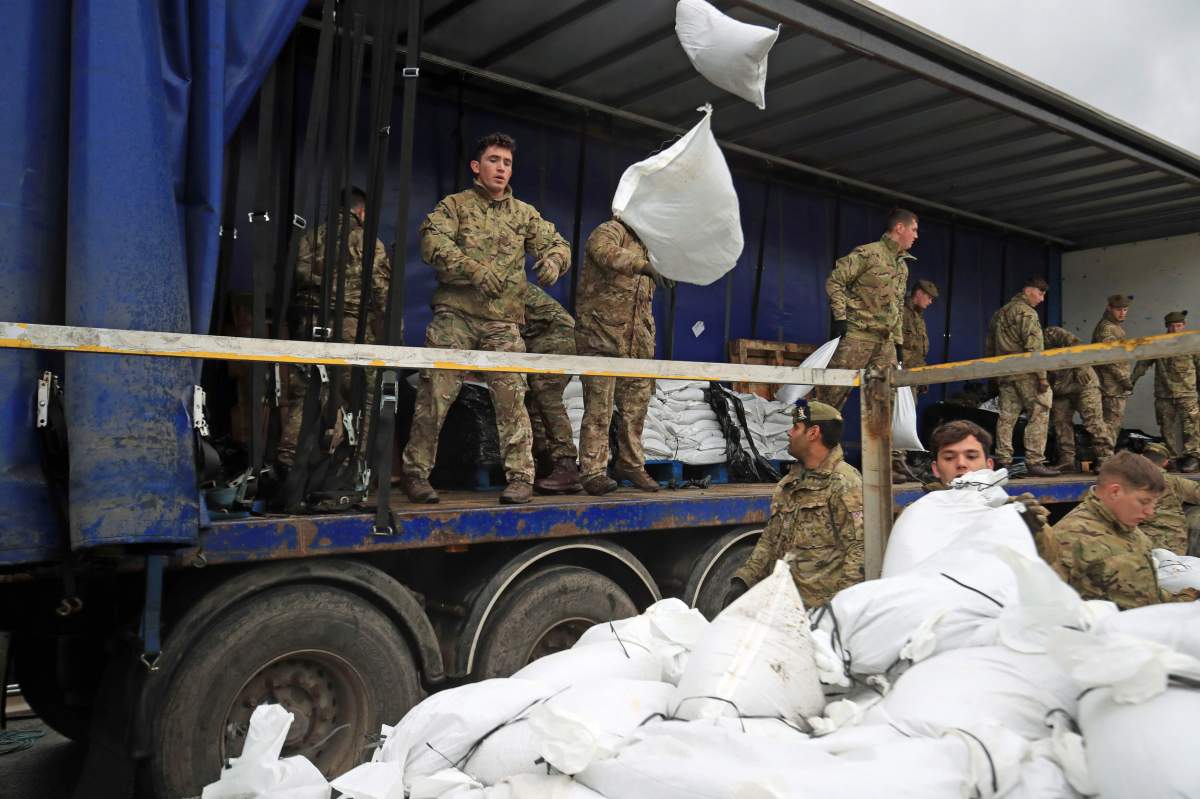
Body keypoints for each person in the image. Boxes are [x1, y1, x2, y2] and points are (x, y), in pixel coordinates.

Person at [401, 133, 571, 505]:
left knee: (512, 395)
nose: (501, 168)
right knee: (435, 393)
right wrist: (472, 269)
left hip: (502, 322)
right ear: (477, 167)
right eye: (494, 160)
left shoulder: (523, 214)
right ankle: (415, 474)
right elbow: (432, 243)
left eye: (507, 163)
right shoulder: (455, 206)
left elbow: (558, 243)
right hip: (456, 315)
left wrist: (553, 262)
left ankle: (520, 478)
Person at [277, 186, 390, 472]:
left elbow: (297, 275)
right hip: (351, 326)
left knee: (310, 391)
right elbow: (382, 290)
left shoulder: (310, 237)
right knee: (364, 393)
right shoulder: (367, 241)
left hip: (310, 324)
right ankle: (354, 463)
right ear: (361, 211)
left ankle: (287, 460)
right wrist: (391, 331)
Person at [725, 399, 864, 609]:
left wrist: (839, 610)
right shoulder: (789, 484)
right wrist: (743, 581)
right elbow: (770, 541)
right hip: (785, 610)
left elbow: (859, 550)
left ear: (813, 433)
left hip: (820, 614)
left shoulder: (844, 482)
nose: (789, 433)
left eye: (796, 427)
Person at [575, 217, 672, 496]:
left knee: (636, 406)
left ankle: (631, 464)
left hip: (637, 342)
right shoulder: (610, 230)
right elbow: (603, 250)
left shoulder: (650, 246)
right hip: (601, 337)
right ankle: (593, 471)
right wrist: (643, 266)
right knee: (598, 407)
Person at [1036, 450, 1197, 608]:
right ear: (1115, 492)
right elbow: (1050, 608)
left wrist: (1187, 598)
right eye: (1143, 501)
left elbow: (1147, 594)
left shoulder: (1126, 527)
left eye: (1153, 503)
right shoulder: (1071, 538)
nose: (1150, 512)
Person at [812, 208, 918, 410]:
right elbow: (836, 281)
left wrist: (898, 343)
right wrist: (840, 318)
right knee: (830, 398)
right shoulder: (868, 254)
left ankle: (877, 442)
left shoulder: (902, 266)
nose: (916, 235)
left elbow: (898, 306)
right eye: (913, 230)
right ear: (899, 227)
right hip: (858, 337)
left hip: (885, 344)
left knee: (885, 402)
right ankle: (814, 438)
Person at [919, 419, 1049, 531]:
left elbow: (1049, 559)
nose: (961, 464)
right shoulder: (920, 513)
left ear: (989, 466)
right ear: (936, 469)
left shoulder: (1016, 510)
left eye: (971, 456)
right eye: (949, 457)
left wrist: (1031, 533)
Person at [986, 276, 1058, 477]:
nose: (1042, 298)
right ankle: (1035, 461)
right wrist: (1042, 378)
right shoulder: (1027, 313)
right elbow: (1034, 348)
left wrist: (993, 375)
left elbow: (990, 346)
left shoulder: (1000, 313)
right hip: (1027, 373)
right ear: (1028, 290)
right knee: (1040, 411)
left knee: (1006, 417)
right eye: (1040, 292)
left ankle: (1003, 461)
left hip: (1006, 373)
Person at [521, 283, 581, 494]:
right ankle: (547, 462)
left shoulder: (497, 282)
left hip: (556, 337)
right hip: (540, 338)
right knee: (533, 401)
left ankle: (566, 464)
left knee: (547, 397)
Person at [1131, 310, 1200, 474]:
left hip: (1187, 393)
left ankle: (1193, 457)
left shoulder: (1192, 344)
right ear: (1167, 327)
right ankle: (1174, 458)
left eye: (1178, 326)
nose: (1175, 330)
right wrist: (1130, 382)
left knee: (1192, 427)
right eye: (1172, 326)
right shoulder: (1158, 344)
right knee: (1167, 428)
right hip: (1164, 395)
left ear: (1184, 326)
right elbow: (1142, 364)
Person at [1043, 326, 1115, 472]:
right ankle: (1067, 460)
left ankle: (1105, 459)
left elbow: (1077, 345)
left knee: (1093, 421)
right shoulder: (1025, 346)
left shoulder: (1052, 333)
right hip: (1059, 389)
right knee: (1060, 423)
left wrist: (1081, 367)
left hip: (1083, 383)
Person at [1139, 443, 1200, 555]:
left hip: (1142, 542)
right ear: (1165, 462)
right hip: (1174, 544)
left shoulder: (1126, 479)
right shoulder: (1174, 482)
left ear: (1141, 457)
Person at [1091, 294, 1135, 440]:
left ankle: (1106, 457)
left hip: (1115, 387)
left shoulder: (1115, 327)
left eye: (1125, 309)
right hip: (1110, 387)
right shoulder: (1107, 329)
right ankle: (1105, 460)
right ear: (1109, 308)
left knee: (1112, 427)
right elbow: (1108, 358)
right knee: (1110, 427)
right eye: (1118, 309)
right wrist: (1123, 378)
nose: (1122, 313)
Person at [901, 279, 938, 383]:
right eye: (929, 298)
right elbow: (893, 346)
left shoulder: (918, 316)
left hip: (914, 374)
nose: (930, 302)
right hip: (902, 374)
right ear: (919, 293)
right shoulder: (901, 312)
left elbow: (918, 349)